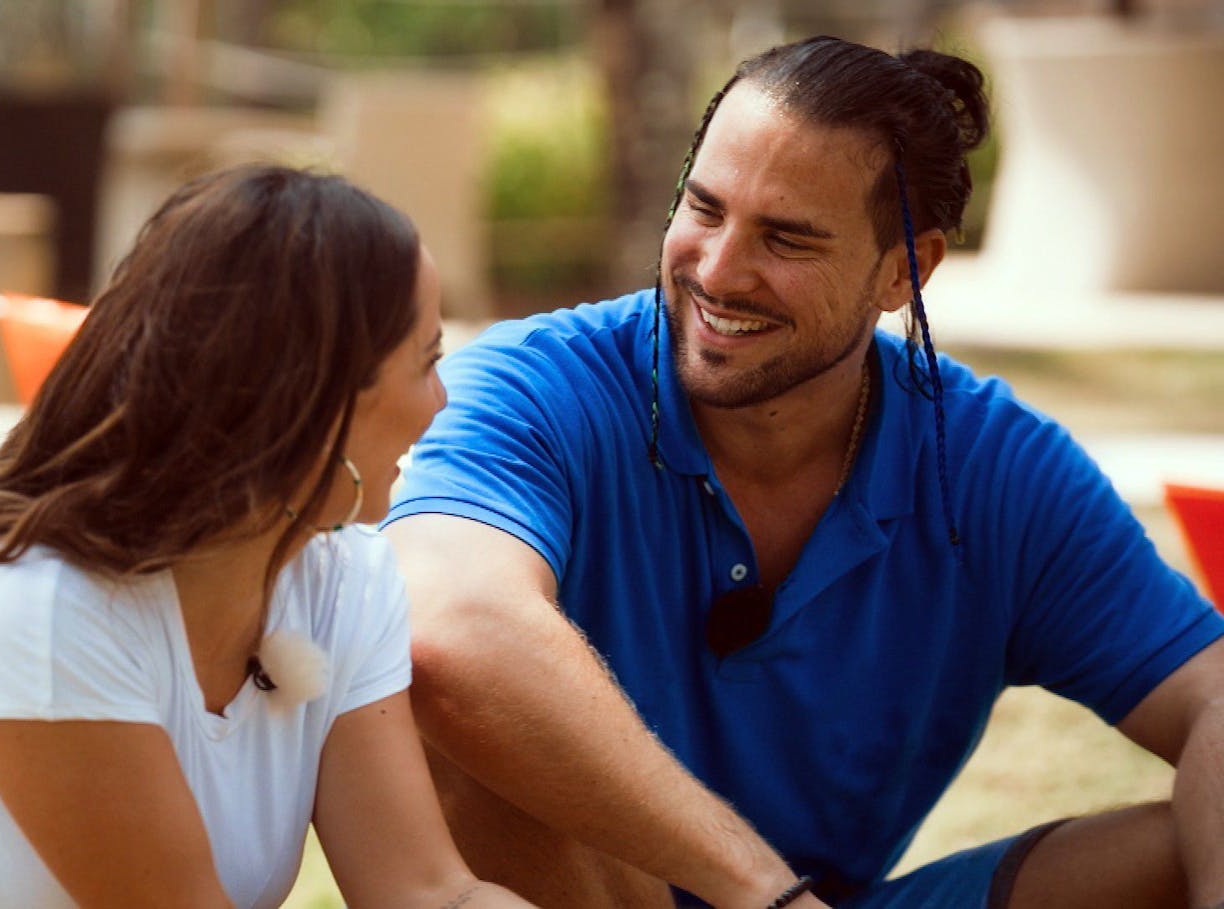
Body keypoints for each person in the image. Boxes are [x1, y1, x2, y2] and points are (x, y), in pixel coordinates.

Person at [384, 36, 1224, 909]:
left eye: (785, 239)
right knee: (469, 730)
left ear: (907, 269)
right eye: (703, 209)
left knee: (1184, 842)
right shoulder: (539, 385)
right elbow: (447, 625)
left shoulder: (990, 463)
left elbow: (1212, 694)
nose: (716, 270)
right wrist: (766, 896)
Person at [0, 165, 537, 909]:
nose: (440, 403)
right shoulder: (42, 605)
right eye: (426, 363)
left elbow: (424, 891)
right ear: (311, 400)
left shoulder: (342, 578)